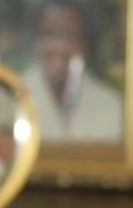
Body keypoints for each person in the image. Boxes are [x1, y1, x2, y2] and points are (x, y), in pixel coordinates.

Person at [21, 0, 122, 141]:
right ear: (34, 41)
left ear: (86, 45)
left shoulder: (110, 104)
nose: (60, 47)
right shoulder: (13, 98)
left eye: (71, 37)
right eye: (49, 35)